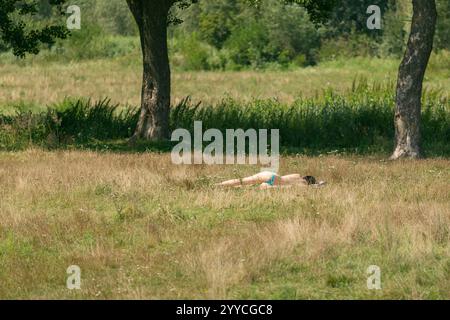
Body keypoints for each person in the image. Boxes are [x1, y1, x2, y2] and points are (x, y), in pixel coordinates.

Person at [217, 171, 325, 189]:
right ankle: (221, 187)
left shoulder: (297, 175)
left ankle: (219, 185)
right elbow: (286, 187)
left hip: (271, 175)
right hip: (274, 182)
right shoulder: (302, 185)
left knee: (243, 181)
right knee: (246, 187)